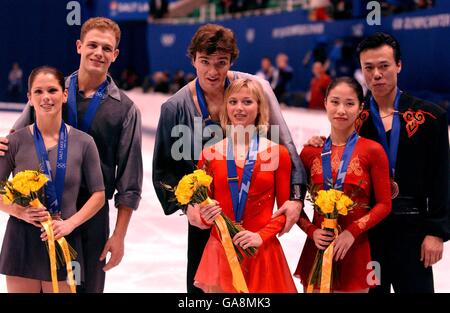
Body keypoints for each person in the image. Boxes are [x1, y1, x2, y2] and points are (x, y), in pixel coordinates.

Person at [152, 23, 307, 293]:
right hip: (207, 223)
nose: (212, 71)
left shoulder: (255, 91)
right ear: (193, 60)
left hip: (257, 227)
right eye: (204, 62)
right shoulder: (175, 107)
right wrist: (188, 208)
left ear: (231, 61)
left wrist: (295, 198)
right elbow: (164, 172)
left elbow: (287, 149)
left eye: (221, 63)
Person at [0, 17, 143, 293]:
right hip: (43, 211)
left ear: (115, 54)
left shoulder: (125, 110)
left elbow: (129, 182)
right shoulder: (51, 91)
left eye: (106, 48)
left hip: (91, 214)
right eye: (92, 45)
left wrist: (119, 235)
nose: (98, 53)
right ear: (79, 46)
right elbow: (16, 141)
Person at [306, 32, 449, 293]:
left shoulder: (430, 117)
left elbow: (442, 179)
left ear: (399, 65)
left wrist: (437, 232)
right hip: (367, 234)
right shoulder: (355, 118)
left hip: (413, 231)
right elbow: (340, 152)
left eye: (384, 66)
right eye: (368, 68)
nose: (377, 74)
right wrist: (321, 143)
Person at [0, 66, 105, 292]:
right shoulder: (14, 142)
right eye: (38, 92)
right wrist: (19, 212)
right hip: (21, 242)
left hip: (64, 240)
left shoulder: (84, 142)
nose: (45, 97)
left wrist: (70, 224)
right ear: (29, 98)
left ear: (64, 94)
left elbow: (99, 195)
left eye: (52, 90)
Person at [194, 78, 297, 293]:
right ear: (226, 107)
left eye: (247, 102)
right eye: (233, 102)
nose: (239, 108)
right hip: (221, 252)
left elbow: (286, 210)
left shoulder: (278, 154)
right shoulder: (209, 154)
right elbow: (203, 209)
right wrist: (206, 216)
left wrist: (260, 236)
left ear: (259, 107)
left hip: (261, 250)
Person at [295, 77, 391, 292]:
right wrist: (311, 231)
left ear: (360, 107)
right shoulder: (310, 152)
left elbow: (385, 204)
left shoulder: (373, 151)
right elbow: (294, 204)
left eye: (349, 103)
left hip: (355, 251)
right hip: (317, 248)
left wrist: (352, 232)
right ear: (325, 103)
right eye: (335, 102)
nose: (341, 110)